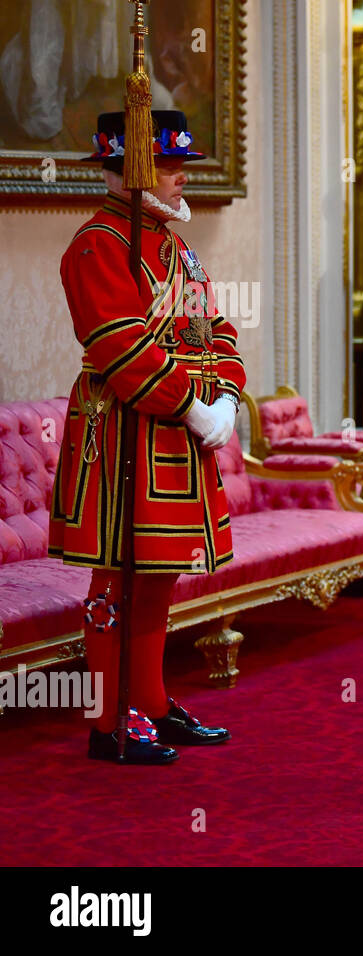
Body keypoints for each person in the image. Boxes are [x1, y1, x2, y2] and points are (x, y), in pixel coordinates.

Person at [49, 110, 243, 764]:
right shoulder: (97, 245)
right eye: (168, 164)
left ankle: (153, 703)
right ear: (131, 169)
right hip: (122, 431)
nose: (183, 175)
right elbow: (119, 349)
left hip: (176, 437)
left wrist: (225, 396)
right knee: (115, 578)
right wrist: (192, 404)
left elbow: (213, 329)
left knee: (159, 575)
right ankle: (108, 722)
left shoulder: (174, 246)